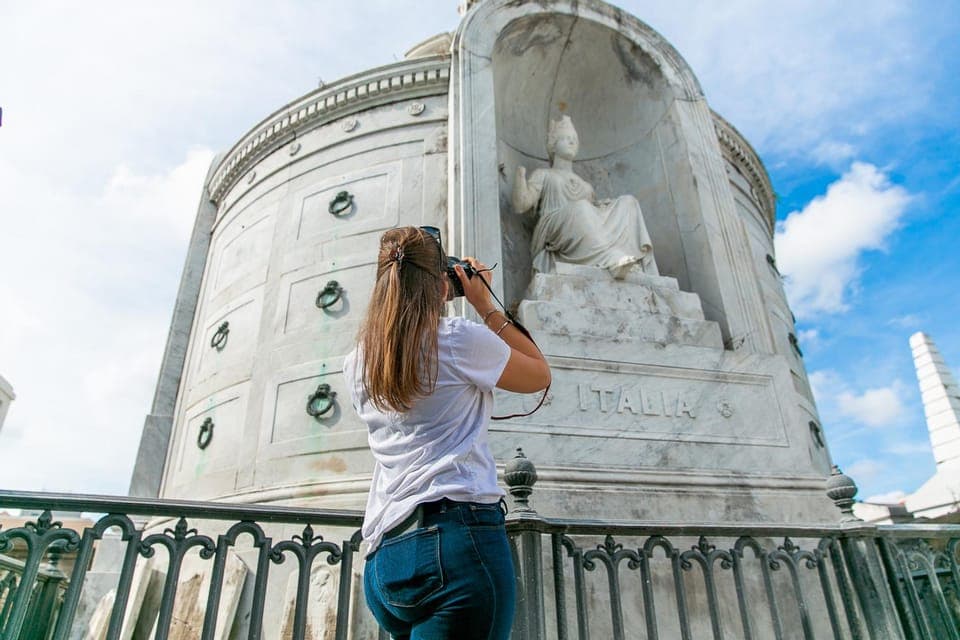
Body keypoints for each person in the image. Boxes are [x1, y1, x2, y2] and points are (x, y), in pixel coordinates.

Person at [343, 226, 551, 640]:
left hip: (386, 556)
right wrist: (483, 303)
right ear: (441, 284)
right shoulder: (458, 341)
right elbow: (538, 374)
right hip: (456, 545)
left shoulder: (357, 362)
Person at [512, 114, 659, 279]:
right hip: (554, 226)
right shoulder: (544, 174)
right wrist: (519, 177)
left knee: (628, 202)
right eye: (565, 138)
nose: (571, 141)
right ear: (553, 146)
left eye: (574, 139)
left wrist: (603, 206)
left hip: (581, 221)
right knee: (581, 208)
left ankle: (635, 265)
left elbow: (593, 221)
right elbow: (521, 205)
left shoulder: (586, 186)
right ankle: (610, 258)